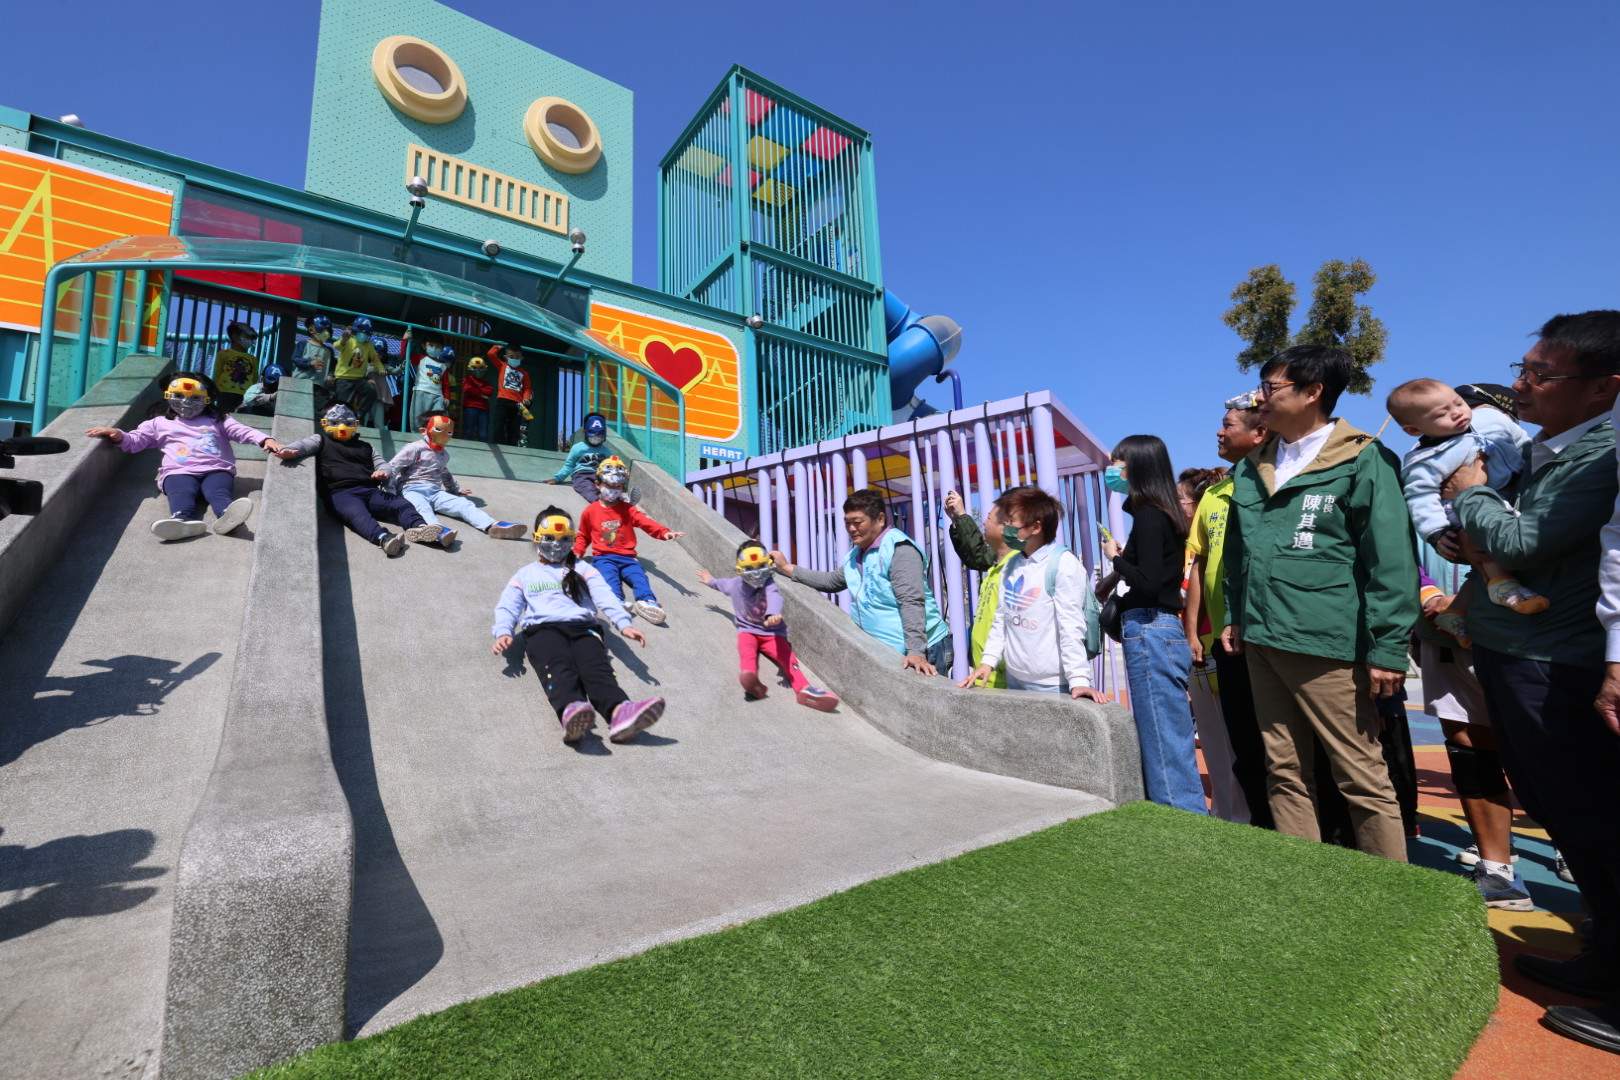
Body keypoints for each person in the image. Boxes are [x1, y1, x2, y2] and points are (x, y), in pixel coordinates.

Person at [1442, 310, 1620, 1046]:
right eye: (1524, 369)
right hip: (1522, 650)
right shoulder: (1551, 448)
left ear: (1604, 387)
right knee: (1564, 811)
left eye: (1540, 375)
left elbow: (1521, 540)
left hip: (1556, 660)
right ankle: (1607, 955)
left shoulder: (1601, 454)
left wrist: (1470, 493)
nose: (1520, 386)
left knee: (1595, 816)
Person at [1220, 344, 1417, 862]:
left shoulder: (1363, 457)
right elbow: (1237, 555)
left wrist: (1387, 648)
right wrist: (1235, 616)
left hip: (1328, 642)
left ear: (1313, 392)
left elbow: (1390, 560)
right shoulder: (1253, 466)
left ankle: (1390, 890)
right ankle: (1304, 882)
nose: (1259, 399)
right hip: (1262, 639)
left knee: (1360, 774)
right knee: (1283, 770)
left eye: (1271, 387)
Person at [1093, 436, 1206, 813]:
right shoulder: (1163, 513)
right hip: (1162, 629)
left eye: (1116, 463)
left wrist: (1115, 558)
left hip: (1150, 628)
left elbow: (1149, 582)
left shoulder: (1149, 514)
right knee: (1169, 736)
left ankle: (1182, 823)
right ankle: (1186, 816)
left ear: (1136, 467)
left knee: (1161, 738)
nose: (1111, 470)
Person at [1388, 377, 1545, 644]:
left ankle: (1457, 610)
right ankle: (1503, 586)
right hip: (1458, 509)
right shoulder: (1425, 458)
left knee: (1493, 540)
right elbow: (1420, 496)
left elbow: (1524, 443)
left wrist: (1535, 464)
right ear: (1414, 429)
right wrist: (1436, 532)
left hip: (1501, 495)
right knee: (1487, 539)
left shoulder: (1492, 420)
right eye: (1442, 414)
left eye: (1458, 403)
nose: (1457, 412)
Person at [493, 506, 663, 744]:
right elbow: (508, 606)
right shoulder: (524, 574)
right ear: (536, 538)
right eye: (550, 538)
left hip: (584, 629)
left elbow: (604, 595)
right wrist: (503, 631)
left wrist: (623, 623)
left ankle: (619, 713)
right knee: (558, 668)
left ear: (572, 539)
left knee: (597, 670)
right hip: (543, 631)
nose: (557, 545)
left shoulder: (583, 568)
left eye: (564, 539)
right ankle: (572, 712)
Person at [1185, 393, 1275, 829]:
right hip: (1225, 640)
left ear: (1260, 432)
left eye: (1228, 425)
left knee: (1281, 746)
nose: (1218, 432)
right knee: (1243, 746)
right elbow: (1199, 565)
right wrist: (1192, 632)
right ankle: (1259, 829)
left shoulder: (1277, 485)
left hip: (1270, 633)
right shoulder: (1214, 495)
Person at [1415, 568, 1529, 910]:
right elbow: (1406, 559)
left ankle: (1574, 854)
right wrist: (1431, 596)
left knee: (1552, 750)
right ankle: (1498, 873)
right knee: (1467, 747)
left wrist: (1470, 598)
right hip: (1444, 636)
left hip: (1525, 631)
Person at [773, 488, 953, 677]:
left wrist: (916, 651)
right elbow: (830, 581)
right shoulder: (856, 555)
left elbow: (911, 601)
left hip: (925, 648)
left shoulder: (899, 549)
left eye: (857, 522)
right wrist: (786, 568)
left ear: (880, 519)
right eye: (847, 523)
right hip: (889, 651)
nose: (851, 529)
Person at [86, 372, 282, 541]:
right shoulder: (159, 423)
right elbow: (136, 441)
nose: (186, 402)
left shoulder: (218, 419)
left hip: (215, 469)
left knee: (218, 492)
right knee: (181, 492)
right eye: (179, 396)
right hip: (178, 471)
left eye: (195, 398)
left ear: (206, 399)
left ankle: (228, 517)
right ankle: (181, 520)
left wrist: (264, 439)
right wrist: (120, 435)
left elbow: (242, 430)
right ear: (168, 396)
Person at [959, 486, 1111, 703]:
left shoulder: (1062, 564)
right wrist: (988, 662)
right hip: (1015, 679)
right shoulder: (1012, 564)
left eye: (1010, 521)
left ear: (1035, 527)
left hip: (1054, 685)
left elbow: (1071, 627)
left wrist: (1079, 680)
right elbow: (1001, 620)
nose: (1005, 527)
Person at [274, 404, 440, 556]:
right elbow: (303, 445)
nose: (342, 427)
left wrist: (383, 472)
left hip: (370, 491)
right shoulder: (320, 440)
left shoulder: (366, 446)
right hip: (340, 493)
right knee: (358, 515)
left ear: (355, 423)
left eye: (347, 423)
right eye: (335, 422)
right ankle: (384, 538)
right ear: (325, 423)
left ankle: (419, 528)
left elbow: (383, 464)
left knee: (401, 504)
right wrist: (289, 450)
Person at [1177, 464, 1247, 823]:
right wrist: (1190, 634)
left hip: (1224, 645)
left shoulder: (1229, 513)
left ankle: (1241, 815)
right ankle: (1223, 812)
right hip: (1201, 649)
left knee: (1237, 743)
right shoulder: (1189, 547)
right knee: (1215, 743)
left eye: (1179, 500)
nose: (1176, 508)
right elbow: (1193, 583)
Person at [698, 539, 839, 711]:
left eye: (760, 568)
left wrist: (773, 613)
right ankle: (751, 679)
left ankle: (804, 689)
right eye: (751, 569)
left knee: (787, 657)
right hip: (748, 631)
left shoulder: (768, 584)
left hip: (772, 634)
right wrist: (710, 580)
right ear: (741, 569)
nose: (757, 575)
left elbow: (774, 597)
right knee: (747, 652)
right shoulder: (736, 584)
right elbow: (721, 584)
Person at [385, 411, 529, 548]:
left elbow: (444, 472)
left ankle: (492, 525)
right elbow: (393, 467)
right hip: (411, 489)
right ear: (423, 431)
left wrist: (454, 489)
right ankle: (437, 531)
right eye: (439, 430)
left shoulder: (444, 454)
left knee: (463, 504)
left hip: (435, 492)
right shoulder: (414, 448)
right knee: (422, 508)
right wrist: (389, 492)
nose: (445, 435)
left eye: (449, 432)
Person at [573, 456, 684, 624]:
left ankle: (647, 602)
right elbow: (583, 535)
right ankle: (616, 600)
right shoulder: (590, 511)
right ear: (597, 484)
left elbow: (645, 522)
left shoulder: (628, 509)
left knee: (640, 578)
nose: (614, 490)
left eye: (618, 487)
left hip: (628, 558)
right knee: (609, 577)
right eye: (609, 486)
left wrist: (664, 532)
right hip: (604, 557)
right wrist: (577, 552)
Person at [944, 486, 1016, 687]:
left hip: (1006, 677)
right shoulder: (998, 564)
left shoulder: (1018, 566)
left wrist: (962, 516)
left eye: (989, 518)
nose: (984, 522)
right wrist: (958, 519)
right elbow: (976, 555)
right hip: (990, 672)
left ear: (1006, 525)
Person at [548, 413, 621, 502]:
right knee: (587, 488)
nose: (596, 437)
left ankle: (621, 501)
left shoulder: (606, 452)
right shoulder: (578, 448)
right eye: (592, 433)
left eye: (600, 433)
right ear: (584, 432)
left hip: (599, 475)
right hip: (581, 475)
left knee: (609, 487)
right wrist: (557, 478)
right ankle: (597, 501)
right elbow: (569, 465)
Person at [330, 317, 384, 418]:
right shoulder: (348, 341)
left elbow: (375, 360)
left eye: (366, 332)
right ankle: (339, 420)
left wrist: (380, 368)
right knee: (343, 404)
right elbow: (336, 346)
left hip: (359, 379)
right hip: (344, 378)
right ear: (355, 330)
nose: (363, 334)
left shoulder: (368, 346)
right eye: (361, 331)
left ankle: (361, 413)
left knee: (371, 390)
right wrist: (343, 340)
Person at [405, 331, 454, 429]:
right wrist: (405, 340)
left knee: (439, 416)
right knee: (417, 417)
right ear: (424, 346)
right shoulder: (420, 358)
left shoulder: (443, 366)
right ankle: (416, 435)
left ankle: (435, 434)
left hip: (437, 395)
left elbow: (446, 384)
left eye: (437, 346)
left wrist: (447, 397)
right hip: (421, 391)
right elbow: (404, 355)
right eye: (431, 345)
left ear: (441, 349)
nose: (434, 348)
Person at [210, 321, 259, 413]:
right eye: (247, 336)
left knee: (242, 417)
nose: (250, 340)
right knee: (224, 416)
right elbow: (217, 373)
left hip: (245, 394)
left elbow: (255, 378)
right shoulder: (223, 354)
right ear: (235, 337)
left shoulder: (253, 359)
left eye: (251, 338)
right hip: (224, 393)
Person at [489, 343, 530, 445]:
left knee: (514, 426)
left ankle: (512, 445)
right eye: (511, 357)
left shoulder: (524, 373)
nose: (514, 359)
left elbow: (527, 388)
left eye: (517, 357)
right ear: (505, 357)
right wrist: (498, 346)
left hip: (518, 403)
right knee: (499, 423)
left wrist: (526, 398)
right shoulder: (502, 366)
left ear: (521, 358)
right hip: (503, 399)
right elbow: (490, 354)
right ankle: (498, 443)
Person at [461, 353, 493, 442]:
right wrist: (481, 394)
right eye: (475, 368)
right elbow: (467, 389)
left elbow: (489, 391)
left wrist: (475, 392)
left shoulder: (487, 383)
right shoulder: (467, 379)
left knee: (483, 434)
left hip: (484, 410)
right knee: (468, 431)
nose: (478, 371)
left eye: (481, 368)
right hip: (470, 408)